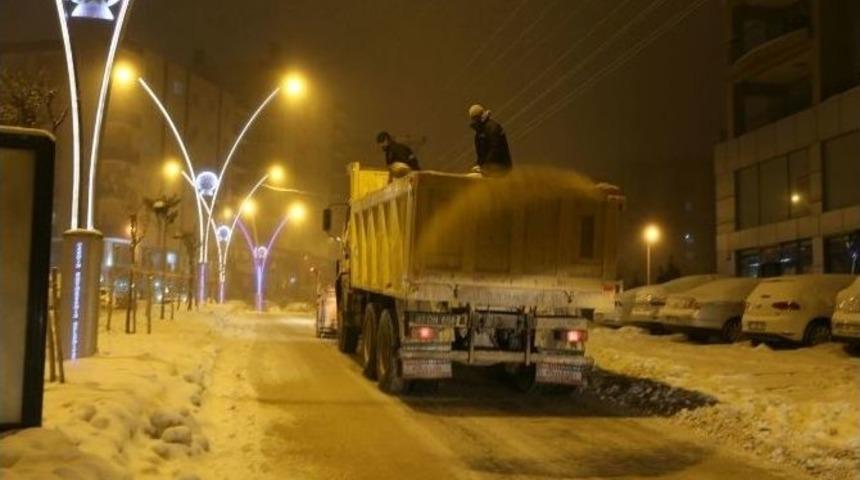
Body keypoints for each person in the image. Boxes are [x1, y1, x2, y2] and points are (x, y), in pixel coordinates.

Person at [468, 104, 512, 176]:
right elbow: (480, 155)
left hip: (500, 169)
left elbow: (495, 149)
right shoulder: (479, 132)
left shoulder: (493, 127)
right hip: (490, 168)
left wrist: (485, 166)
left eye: (475, 118)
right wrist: (478, 165)